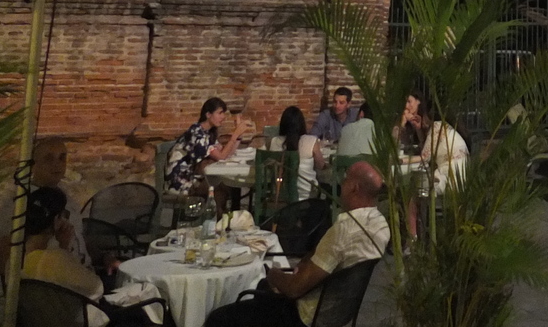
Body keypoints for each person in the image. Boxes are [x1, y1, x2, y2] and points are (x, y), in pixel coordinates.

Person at [203, 162, 390, 327]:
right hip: (336, 313)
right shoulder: (380, 224)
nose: (342, 184)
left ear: (354, 188)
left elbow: (294, 289)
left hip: (304, 316)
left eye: (345, 179)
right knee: (260, 290)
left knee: (219, 317)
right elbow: (324, 263)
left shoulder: (345, 229)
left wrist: (273, 274)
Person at [23, 186, 155, 325]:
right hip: (84, 321)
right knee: (144, 307)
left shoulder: (17, 261)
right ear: (57, 220)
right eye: (64, 214)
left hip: (46, 321)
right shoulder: (55, 258)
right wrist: (65, 248)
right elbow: (96, 287)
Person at [0, 137, 88, 273]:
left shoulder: (66, 197)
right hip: (54, 278)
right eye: (48, 158)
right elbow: (6, 263)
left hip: (85, 270)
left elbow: (79, 239)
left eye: (62, 157)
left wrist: (105, 257)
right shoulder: (19, 205)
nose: (57, 164)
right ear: (33, 165)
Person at [166, 97, 251, 206]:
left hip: (194, 177)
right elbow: (221, 157)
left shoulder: (208, 133)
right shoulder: (197, 133)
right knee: (219, 190)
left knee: (226, 186)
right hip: (181, 181)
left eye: (223, 113)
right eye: (220, 113)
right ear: (208, 115)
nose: (223, 117)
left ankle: (225, 215)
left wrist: (238, 136)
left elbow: (226, 154)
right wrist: (235, 134)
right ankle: (218, 216)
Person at [268, 106, 325, 202]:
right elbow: (321, 165)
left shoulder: (274, 142)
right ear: (301, 124)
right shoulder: (311, 141)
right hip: (307, 194)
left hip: (280, 195)